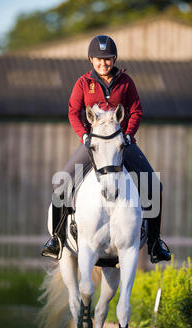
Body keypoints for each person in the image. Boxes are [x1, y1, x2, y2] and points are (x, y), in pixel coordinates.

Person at [41, 35, 171, 264]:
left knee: (153, 184)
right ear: (91, 59)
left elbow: (136, 111)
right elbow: (73, 111)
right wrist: (84, 134)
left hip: (122, 143)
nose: (104, 64)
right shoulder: (83, 83)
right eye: (99, 60)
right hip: (94, 143)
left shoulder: (126, 81)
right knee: (60, 182)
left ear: (114, 59)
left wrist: (128, 135)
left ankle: (154, 243)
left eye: (108, 59)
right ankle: (57, 239)